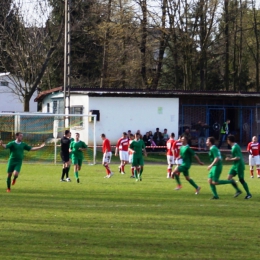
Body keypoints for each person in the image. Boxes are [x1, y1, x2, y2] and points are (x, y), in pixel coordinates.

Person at [225, 135, 252, 199]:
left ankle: (249, 194)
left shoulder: (235, 147)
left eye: (227, 140)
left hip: (239, 165)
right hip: (235, 165)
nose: (227, 141)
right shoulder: (234, 146)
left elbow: (238, 157)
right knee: (229, 177)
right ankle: (238, 190)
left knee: (241, 180)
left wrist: (229, 159)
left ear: (229, 140)